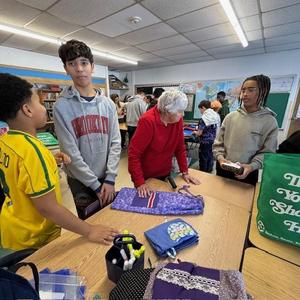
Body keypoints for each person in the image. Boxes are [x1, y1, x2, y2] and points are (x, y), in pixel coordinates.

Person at [0, 73, 118, 250]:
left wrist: (50, 160)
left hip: (14, 227)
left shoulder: (7, 140)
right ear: (27, 110)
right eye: (39, 103)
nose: (43, 107)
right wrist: (89, 230)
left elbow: (20, 174)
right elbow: (48, 208)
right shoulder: (33, 152)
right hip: (35, 237)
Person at [53, 40, 121, 220]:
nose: (79, 69)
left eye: (84, 62)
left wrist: (110, 178)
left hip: (106, 176)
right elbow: (70, 152)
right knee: (89, 223)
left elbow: (115, 142)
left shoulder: (107, 104)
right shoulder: (61, 106)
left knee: (109, 219)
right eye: (72, 64)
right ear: (66, 68)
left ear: (92, 66)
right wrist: (95, 186)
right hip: (80, 181)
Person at [128, 90, 200, 197]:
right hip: (145, 176)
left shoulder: (177, 120)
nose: (183, 114)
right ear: (168, 111)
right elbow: (134, 154)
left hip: (165, 171)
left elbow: (180, 148)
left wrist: (185, 171)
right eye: (180, 111)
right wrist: (139, 182)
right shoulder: (148, 121)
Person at [213, 74, 278, 185]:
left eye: (251, 90)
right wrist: (220, 158)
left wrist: (252, 166)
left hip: (248, 173)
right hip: (223, 169)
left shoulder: (269, 122)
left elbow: (267, 153)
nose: (245, 94)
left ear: (263, 91)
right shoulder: (230, 117)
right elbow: (218, 144)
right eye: (243, 90)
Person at [193, 100, 219, 173]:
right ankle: (209, 170)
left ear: (203, 108)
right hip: (213, 140)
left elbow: (199, 133)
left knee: (203, 157)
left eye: (200, 109)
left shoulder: (204, 118)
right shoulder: (215, 115)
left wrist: (195, 132)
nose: (200, 112)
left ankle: (203, 172)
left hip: (205, 141)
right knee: (210, 155)